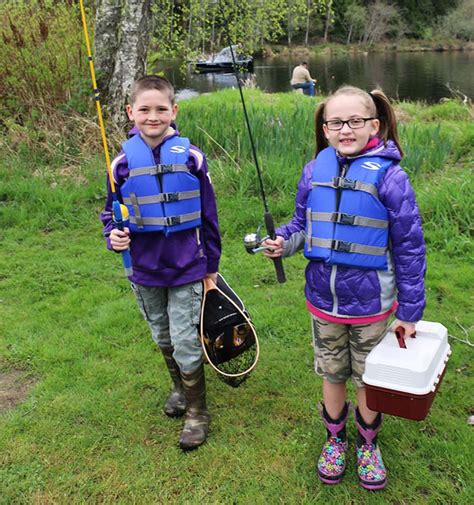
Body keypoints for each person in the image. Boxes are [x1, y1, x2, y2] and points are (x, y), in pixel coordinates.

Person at [263, 85, 426, 489]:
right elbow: (301, 225)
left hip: (373, 304)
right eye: (335, 122)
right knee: (332, 371)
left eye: (355, 121)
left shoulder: (391, 177)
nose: (345, 129)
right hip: (323, 301)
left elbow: (409, 248)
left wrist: (409, 311)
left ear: (375, 124)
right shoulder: (312, 171)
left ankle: (368, 444)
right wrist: (283, 242)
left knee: (369, 378)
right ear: (324, 127)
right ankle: (335, 439)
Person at [100, 75, 221, 451]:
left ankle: (197, 412)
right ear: (130, 112)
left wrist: (211, 265)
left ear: (174, 111)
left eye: (161, 109)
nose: (153, 117)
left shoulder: (192, 158)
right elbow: (110, 213)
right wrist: (113, 236)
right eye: (145, 110)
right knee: (162, 335)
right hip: (144, 268)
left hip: (187, 265)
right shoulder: (119, 164)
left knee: (185, 339)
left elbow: (210, 215)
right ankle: (179, 388)